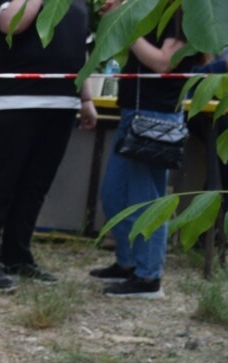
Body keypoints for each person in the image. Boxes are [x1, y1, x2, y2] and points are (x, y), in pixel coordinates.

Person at [0, 0, 95, 293]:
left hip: (64, 101)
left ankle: (16, 255)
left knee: (35, 186)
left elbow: (82, 51)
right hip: (15, 99)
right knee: (0, 183)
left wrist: (86, 99)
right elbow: (12, 23)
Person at [89, 5, 192, 299]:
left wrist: (125, 26)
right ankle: (129, 262)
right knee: (115, 195)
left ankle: (148, 278)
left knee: (146, 201)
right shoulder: (148, 12)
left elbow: (164, 63)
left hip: (157, 118)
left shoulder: (181, 12)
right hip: (132, 114)